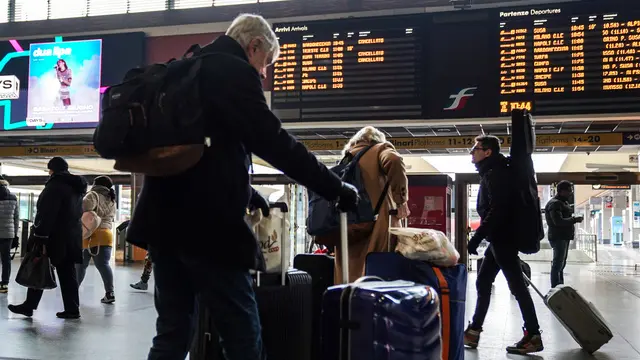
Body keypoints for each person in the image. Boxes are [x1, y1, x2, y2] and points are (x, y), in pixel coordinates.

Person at [125, 14, 359, 360]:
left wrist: (248, 192)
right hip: (209, 231)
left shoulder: (188, 67)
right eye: (265, 63)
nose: (263, 74)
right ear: (253, 46)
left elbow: (202, 152)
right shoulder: (233, 72)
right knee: (241, 335)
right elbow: (275, 142)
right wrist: (335, 187)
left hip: (162, 227)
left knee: (172, 334)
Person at [464, 135, 543, 355]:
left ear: (488, 152)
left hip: (503, 239)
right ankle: (474, 330)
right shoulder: (492, 171)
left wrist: (478, 236)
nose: (472, 152)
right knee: (483, 281)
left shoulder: (496, 174)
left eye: (476, 148)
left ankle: (533, 335)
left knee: (517, 287)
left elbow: (498, 209)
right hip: (499, 239)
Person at [8, 157, 86, 319]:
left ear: (51, 170)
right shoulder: (76, 187)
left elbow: (46, 214)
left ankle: (29, 306)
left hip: (54, 236)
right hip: (71, 235)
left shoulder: (55, 186)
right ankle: (72, 308)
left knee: (39, 266)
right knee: (67, 272)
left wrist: (40, 236)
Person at [334, 126, 410, 283]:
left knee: (348, 271)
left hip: (348, 224)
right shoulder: (379, 149)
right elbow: (394, 160)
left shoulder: (347, 158)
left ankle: (349, 303)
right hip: (377, 222)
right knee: (377, 268)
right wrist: (401, 200)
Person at [76, 176, 117, 304]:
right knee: (103, 265)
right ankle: (110, 293)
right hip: (106, 234)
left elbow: (85, 207)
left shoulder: (93, 194)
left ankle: (73, 290)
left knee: (81, 265)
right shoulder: (112, 198)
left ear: (96, 184)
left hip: (90, 232)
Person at [545, 180, 583, 288]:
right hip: (558, 236)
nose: (570, 193)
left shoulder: (562, 203)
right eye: (569, 191)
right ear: (561, 191)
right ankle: (555, 287)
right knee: (558, 263)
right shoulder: (555, 203)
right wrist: (574, 220)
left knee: (561, 263)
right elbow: (558, 221)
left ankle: (559, 286)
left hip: (563, 236)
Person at [0, 175, 19, 294]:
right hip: (8, 233)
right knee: (6, 259)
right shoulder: (13, 197)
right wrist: (15, 233)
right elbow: (16, 218)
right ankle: (4, 284)